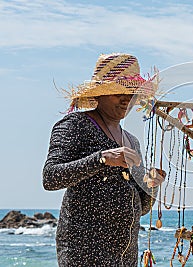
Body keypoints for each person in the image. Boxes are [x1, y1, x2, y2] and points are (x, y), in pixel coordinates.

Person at [42, 53, 164, 266]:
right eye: (118, 92)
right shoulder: (76, 125)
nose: (126, 99)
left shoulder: (131, 141)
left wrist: (151, 186)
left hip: (125, 254)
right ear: (100, 95)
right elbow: (51, 177)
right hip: (83, 251)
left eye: (132, 93)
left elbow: (142, 208)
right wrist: (101, 159)